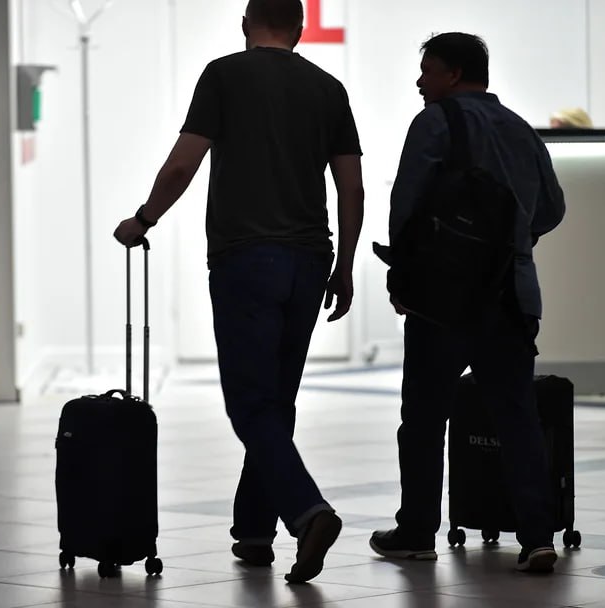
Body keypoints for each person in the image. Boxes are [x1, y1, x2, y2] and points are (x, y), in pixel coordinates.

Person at [113, 0, 364, 584]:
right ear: (300, 29)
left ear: (247, 24)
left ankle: (309, 512)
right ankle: (254, 531)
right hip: (311, 259)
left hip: (246, 258)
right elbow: (351, 188)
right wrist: (346, 267)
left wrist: (143, 219)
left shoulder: (223, 75)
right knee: (275, 401)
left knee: (250, 404)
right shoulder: (329, 88)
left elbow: (182, 166)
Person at [369, 32, 566, 573]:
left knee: (424, 417)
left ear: (454, 74)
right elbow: (552, 208)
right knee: (517, 416)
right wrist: (513, 244)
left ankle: (416, 530)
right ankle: (538, 537)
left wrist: (403, 279)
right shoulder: (521, 129)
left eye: (428, 71)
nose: (420, 81)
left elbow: (407, 204)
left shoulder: (435, 122)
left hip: (443, 299)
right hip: (512, 296)